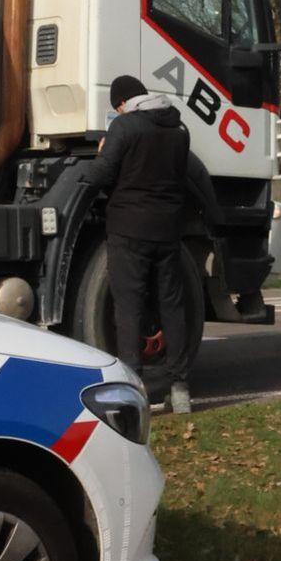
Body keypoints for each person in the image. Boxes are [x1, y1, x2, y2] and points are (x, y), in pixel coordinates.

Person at [82, 75, 197, 412]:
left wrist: (98, 158)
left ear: (121, 102)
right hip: (167, 230)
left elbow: (102, 174)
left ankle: (134, 391)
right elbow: (178, 177)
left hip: (129, 230)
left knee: (129, 308)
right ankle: (179, 389)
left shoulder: (125, 126)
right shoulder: (178, 130)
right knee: (171, 306)